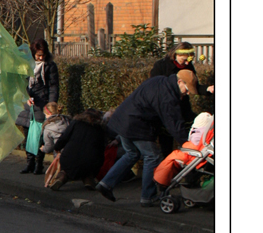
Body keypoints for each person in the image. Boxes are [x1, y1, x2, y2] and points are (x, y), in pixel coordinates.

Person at [96, 69, 198, 207]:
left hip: (122, 120)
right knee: (153, 157)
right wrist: (186, 144)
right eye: (187, 89)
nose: (187, 93)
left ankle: (106, 183)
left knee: (132, 154)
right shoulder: (168, 97)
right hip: (136, 125)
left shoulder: (160, 80)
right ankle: (148, 197)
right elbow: (173, 123)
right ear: (179, 82)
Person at [15, 39, 59, 175]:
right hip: (29, 104)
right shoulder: (27, 64)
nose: (41, 57)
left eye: (43, 55)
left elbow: (53, 87)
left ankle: (39, 164)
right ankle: (29, 163)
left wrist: (51, 106)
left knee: (40, 135)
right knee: (28, 134)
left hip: (43, 104)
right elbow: (21, 83)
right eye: (38, 55)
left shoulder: (50, 66)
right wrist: (25, 96)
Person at [48, 109, 107, 191]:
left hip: (69, 157)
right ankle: (88, 179)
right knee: (88, 167)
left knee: (67, 169)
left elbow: (65, 137)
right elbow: (102, 146)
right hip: (90, 160)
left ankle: (62, 177)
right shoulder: (100, 128)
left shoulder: (76, 123)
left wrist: (57, 147)